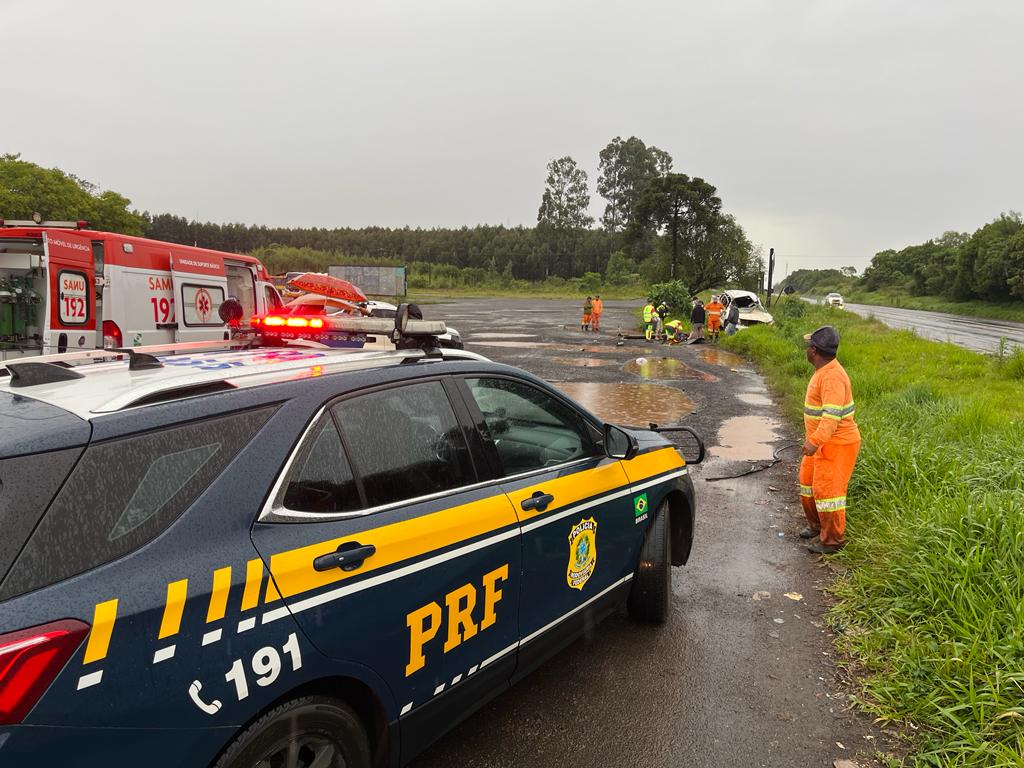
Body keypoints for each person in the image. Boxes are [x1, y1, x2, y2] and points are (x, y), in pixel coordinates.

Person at [799, 325, 861, 554]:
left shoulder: (833, 376)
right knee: (808, 484)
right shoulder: (823, 371)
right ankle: (816, 525)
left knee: (829, 494)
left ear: (814, 350)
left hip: (837, 444)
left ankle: (832, 541)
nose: (806, 349)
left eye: (808, 346)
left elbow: (832, 417)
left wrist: (814, 440)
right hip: (822, 442)